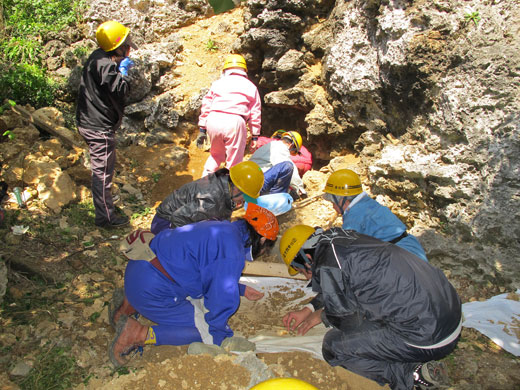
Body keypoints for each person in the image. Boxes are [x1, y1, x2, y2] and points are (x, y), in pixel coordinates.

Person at [279, 225, 462, 390]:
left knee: (333, 345)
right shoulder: (342, 239)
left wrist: (323, 316)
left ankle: (411, 375)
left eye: (303, 271)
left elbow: (349, 321)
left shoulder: (328, 264)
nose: (305, 277)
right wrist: (310, 309)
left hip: (429, 338)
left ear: (307, 258)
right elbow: (344, 282)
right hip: (449, 316)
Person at [108, 203, 279, 367]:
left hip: (140, 268)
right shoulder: (232, 251)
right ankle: (138, 334)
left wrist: (240, 289)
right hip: (151, 289)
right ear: (262, 240)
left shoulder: (221, 227)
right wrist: (218, 337)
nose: (262, 253)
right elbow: (220, 300)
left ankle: (128, 305)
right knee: (202, 330)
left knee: (189, 292)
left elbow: (206, 271)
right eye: (265, 249)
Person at [76, 21, 137, 228]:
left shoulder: (98, 57)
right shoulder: (105, 65)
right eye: (126, 46)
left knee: (103, 171)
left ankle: (105, 211)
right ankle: (105, 219)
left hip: (92, 122)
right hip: (98, 127)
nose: (128, 49)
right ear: (117, 47)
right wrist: (124, 73)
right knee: (102, 175)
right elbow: (119, 90)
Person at [323, 169, 428, 261]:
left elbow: (345, 253)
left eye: (333, 203)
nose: (333, 207)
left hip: (398, 259)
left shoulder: (354, 217)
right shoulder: (368, 203)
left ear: (341, 200)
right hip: (414, 249)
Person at [150, 160, 264, 234]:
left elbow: (222, 210)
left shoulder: (223, 181)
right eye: (245, 197)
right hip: (165, 224)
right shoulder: (212, 201)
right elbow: (178, 218)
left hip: (176, 217)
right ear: (237, 189)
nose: (244, 201)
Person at [197, 54, 262, 176]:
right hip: (235, 122)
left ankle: (203, 185)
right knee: (234, 163)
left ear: (226, 70)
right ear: (244, 71)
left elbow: (206, 104)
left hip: (214, 119)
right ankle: (228, 191)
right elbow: (255, 112)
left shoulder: (217, 83)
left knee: (215, 156)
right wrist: (255, 135)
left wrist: (202, 128)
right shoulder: (251, 87)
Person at [249, 131, 307, 200]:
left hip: (249, 181)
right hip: (256, 184)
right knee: (287, 167)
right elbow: (291, 171)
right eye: (293, 152)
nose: (290, 154)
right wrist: (300, 189)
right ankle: (275, 201)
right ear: (291, 145)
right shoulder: (281, 148)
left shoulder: (271, 145)